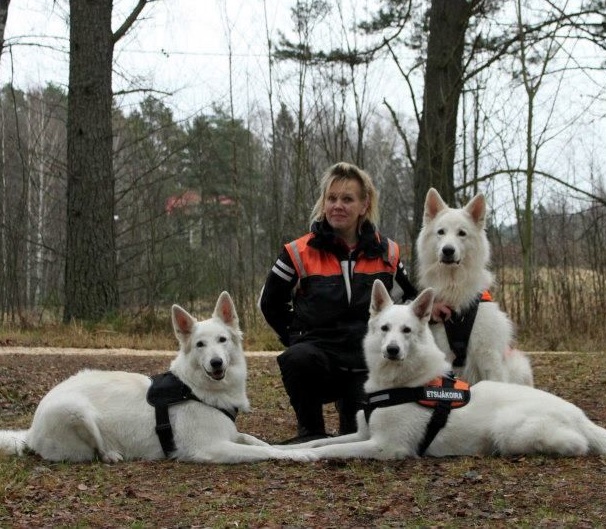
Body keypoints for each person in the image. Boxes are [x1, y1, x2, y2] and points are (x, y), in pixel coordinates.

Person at [259, 162, 418, 444]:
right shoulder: (298, 251)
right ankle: (310, 431)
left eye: (347, 199)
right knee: (297, 358)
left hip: (365, 363)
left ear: (364, 205)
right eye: (331, 198)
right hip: (318, 360)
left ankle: (351, 415)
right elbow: (270, 303)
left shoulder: (388, 253)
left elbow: (409, 300)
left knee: (356, 440)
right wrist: (295, 336)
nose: (337, 206)